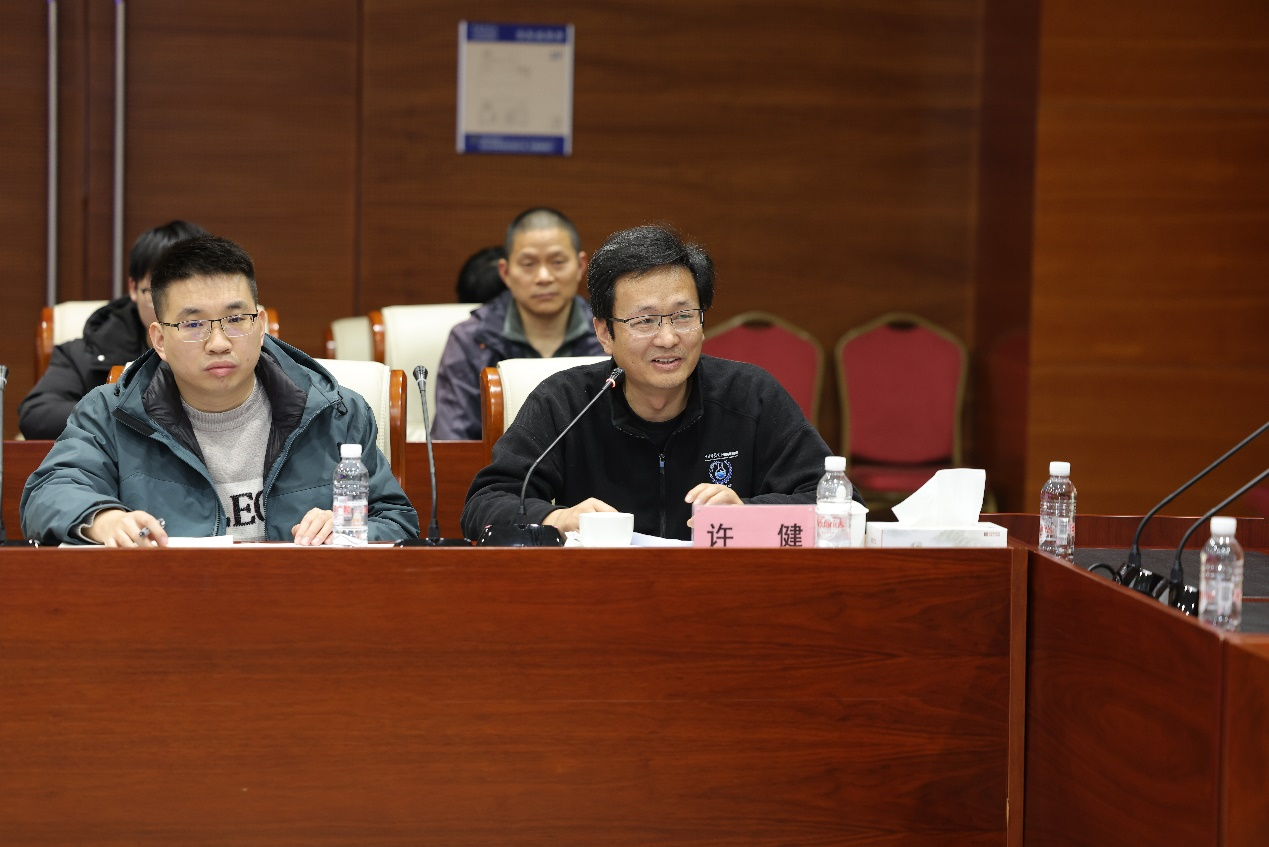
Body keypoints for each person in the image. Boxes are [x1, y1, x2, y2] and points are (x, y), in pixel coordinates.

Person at [460, 224, 855, 541]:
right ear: (604, 332)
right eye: (644, 321)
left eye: (683, 316)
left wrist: (748, 514)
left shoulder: (751, 395)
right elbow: (485, 505)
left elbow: (839, 503)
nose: (667, 339)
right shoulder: (564, 402)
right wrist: (558, 518)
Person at [22, 235, 419, 547]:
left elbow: (397, 521)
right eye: (193, 325)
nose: (218, 343)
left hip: (305, 605)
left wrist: (349, 530)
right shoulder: (110, 413)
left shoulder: (336, 412)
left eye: (235, 319)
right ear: (159, 340)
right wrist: (104, 519)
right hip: (166, 606)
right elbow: (47, 494)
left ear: (260, 325)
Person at [19, 220, 209, 440]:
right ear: (133, 288)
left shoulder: (228, 345)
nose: (174, 308)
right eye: (157, 293)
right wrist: (121, 412)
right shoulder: (87, 352)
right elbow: (37, 416)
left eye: (188, 293)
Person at [432, 208, 605, 440]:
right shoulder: (470, 340)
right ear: (505, 273)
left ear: (580, 266)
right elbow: (453, 443)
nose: (544, 277)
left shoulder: (610, 335)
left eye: (557, 262)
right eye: (528, 264)